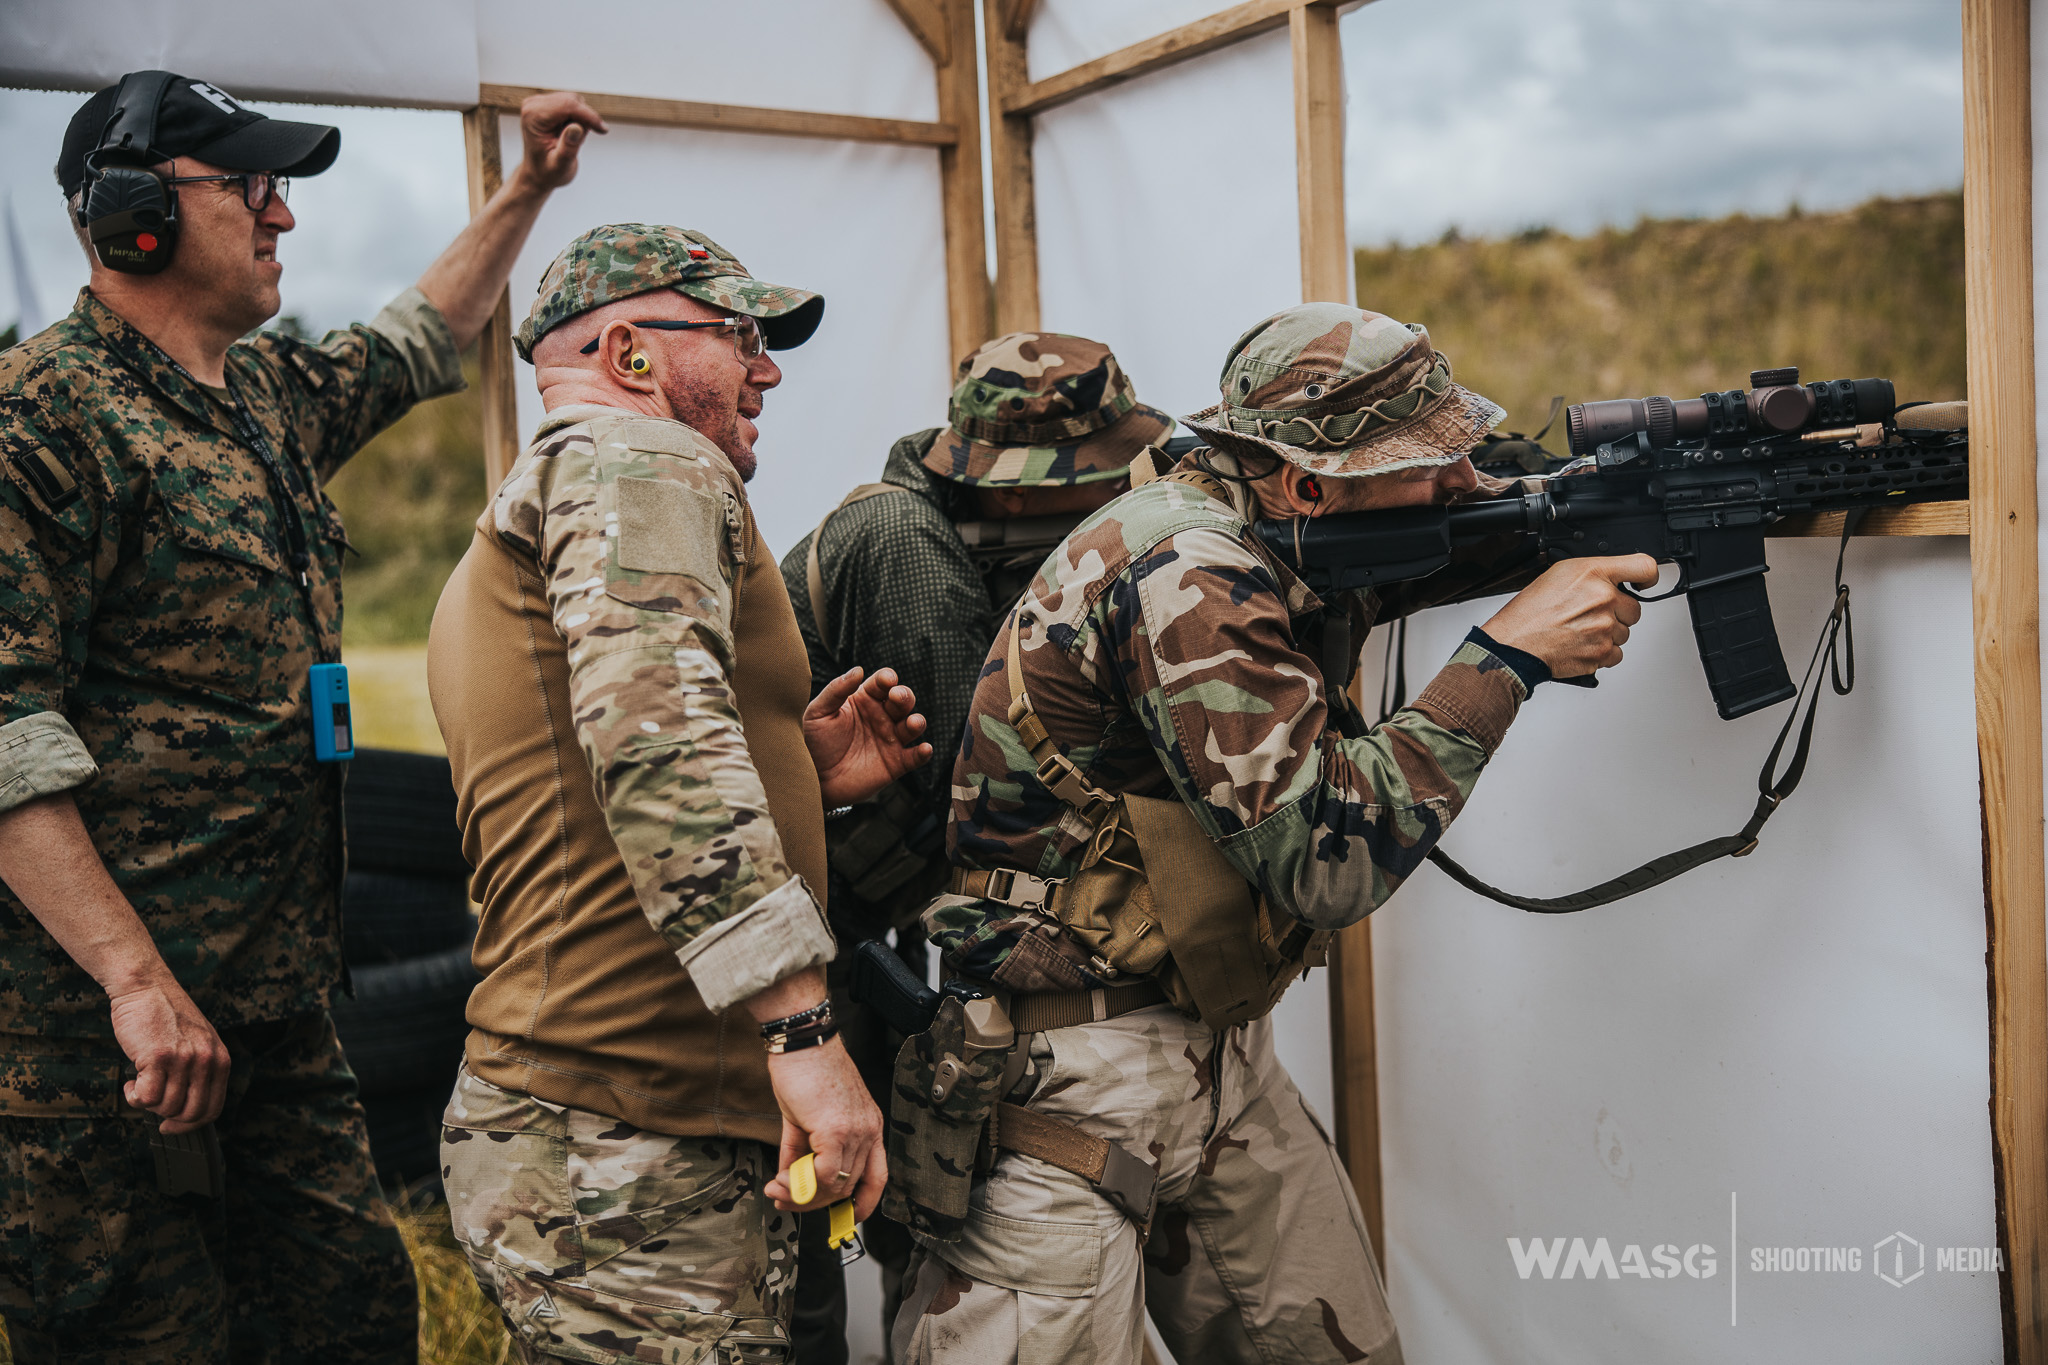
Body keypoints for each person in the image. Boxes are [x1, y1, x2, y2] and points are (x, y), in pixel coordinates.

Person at [889, 302, 1660, 1364]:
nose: (1457, 478)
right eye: (1422, 460)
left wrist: (1620, 495)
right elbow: (1323, 861)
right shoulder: (1187, 571)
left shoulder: (1277, 521)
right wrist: (1505, 660)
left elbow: (1453, 527)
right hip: (1065, 1076)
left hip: (1213, 1046)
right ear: (1304, 482)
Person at [0, 69, 602, 1362]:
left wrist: (526, 189)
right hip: (105, 1047)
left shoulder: (261, 397)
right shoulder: (38, 420)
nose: (283, 216)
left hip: (278, 1010)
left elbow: (422, 334)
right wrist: (138, 984)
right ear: (132, 214)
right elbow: (2, 736)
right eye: (254, 186)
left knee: (355, 1320)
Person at [430, 222, 933, 1364]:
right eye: (739, 336)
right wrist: (805, 1033)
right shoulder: (636, 458)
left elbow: (589, 763)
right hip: (625, 1139)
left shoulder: (549, 491)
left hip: (586, 1125)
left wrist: (791, 773)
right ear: (630, 353)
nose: (768, 368)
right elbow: (656, 747)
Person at [778, 332, 1171, 1362]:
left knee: (864, 1229)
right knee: (794, 1286)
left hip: (826, 924)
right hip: (776, 951)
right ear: (1006, 494)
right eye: (1089, 485)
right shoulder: (914, 560)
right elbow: (977, 814)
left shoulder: (940, 532)